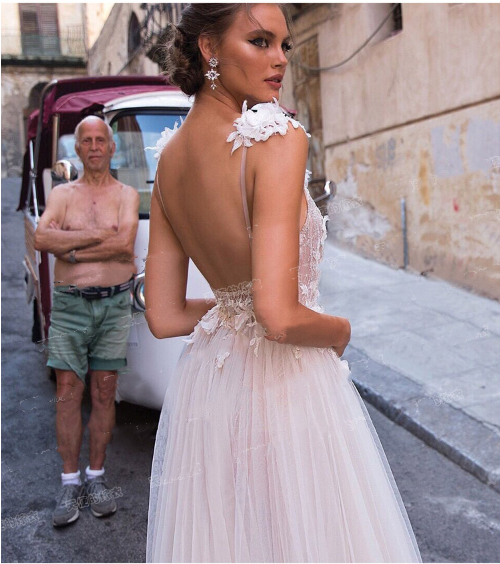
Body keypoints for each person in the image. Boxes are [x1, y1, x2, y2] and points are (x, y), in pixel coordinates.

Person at [144, 4, 422, 562]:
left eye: (284, 46)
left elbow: (165, 316)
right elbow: (279, 315)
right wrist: (340, 329)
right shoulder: (275, 136)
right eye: (260, 42)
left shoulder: (169, 159)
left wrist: (231, 309)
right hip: (287, 387)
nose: (279, 61)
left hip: (212, 391)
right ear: (209, 49)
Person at [34, 115, 140, 527]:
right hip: (70, 304)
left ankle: (96, 477)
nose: (95, 147)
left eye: (102, 140)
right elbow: (43, 239)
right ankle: (68, 481)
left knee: (104, 390)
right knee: (66, 390)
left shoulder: (127, 195)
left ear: (112, 148)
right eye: (87, 141)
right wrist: (100, 240)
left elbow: (125, 244)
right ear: (76, 149)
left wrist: (71, 249)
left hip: (114, 305)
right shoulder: (62, 195)